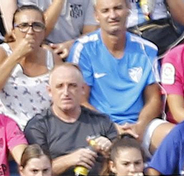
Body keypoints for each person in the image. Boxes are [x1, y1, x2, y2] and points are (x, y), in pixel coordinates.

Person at [70, 0, 163, 143]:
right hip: (98, 125)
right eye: (105, 10)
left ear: (129, 9)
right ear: (96, 16)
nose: (112, 15)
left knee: (172, 136)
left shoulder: (147, 49)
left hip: (138, 125)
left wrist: (140, 126)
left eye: (118, 8)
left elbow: (154, 99)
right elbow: (80, 101)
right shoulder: (83, 49)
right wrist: (111, 127)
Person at [24, 63, 119, 174]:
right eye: (60, 86)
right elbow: (35, 173)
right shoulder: (38, 126)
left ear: (83, 89)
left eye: (72, 86)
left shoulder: (102, 122)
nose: (66, 93)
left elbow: (123, 165)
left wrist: (109, 151)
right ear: (49, 91)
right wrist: (69, 160)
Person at [0, 2, 59, 129]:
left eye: (37, 26)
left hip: (40, 129)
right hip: (3, 126)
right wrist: (16, 56)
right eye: (23, 26)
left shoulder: (52, 58)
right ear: (13, 31)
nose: (30, 31)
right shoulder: (1, 52)